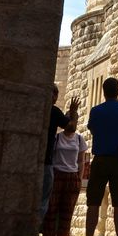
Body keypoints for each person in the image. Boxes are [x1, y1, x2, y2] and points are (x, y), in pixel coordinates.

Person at [74, 76, 118, 236]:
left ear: (103, 91)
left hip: (100, 159)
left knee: (93, 201)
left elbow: (93, 130)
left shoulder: (95, 111)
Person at [40, 120, 87, 236]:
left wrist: (79, 177)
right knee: (52, 209)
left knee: (67, 211)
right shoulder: (57, 137)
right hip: (57, 173)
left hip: (72, 176)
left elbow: (81, 160)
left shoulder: (79, 139)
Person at [41, 86, 79, 222]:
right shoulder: (54, 111)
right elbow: (72, 127)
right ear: (55, 96)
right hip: (46, 163)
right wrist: (73, 112)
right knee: (44, 202)